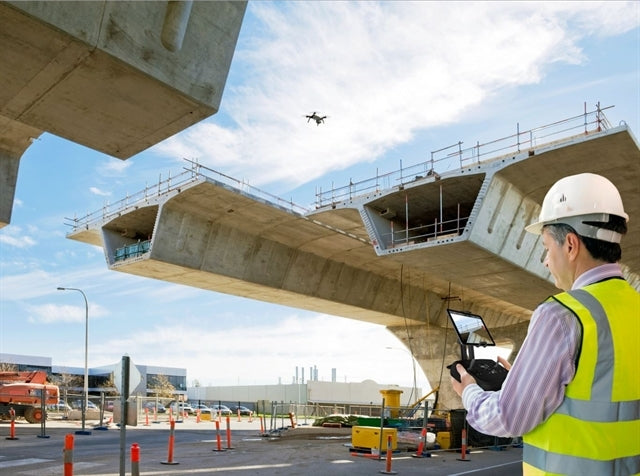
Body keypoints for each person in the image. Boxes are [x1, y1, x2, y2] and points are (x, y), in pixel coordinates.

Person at [451, 173, 639, 475]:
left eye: (547, 247)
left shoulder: (562, 315)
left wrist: (470, 393)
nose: (545, 261)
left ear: (571, 246)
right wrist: (528, 380)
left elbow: (510, 417)